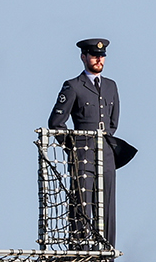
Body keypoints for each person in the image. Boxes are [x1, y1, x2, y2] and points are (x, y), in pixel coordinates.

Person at [49, 38, 125, 248]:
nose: (99, 59)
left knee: (107, 204)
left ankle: (106, 250)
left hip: (106, 152)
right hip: (83, 152)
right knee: (82, 202)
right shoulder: (73, 86)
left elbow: (113, 122)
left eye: (102, 56)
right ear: (84, 57)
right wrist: (74, 147)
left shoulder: (111, 86)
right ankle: (81, 250)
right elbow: (56, 123)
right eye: (94, 55)